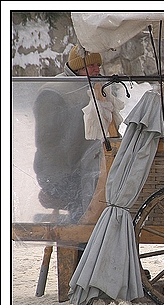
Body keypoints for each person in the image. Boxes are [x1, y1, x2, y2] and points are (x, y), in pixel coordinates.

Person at [33, 45, 105, 223]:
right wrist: (77, 166)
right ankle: (80, 243)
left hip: (83, 166)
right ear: (78, 67)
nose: (97, 69)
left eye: (98, 65)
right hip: (57, 172)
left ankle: (95, 240)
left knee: (106, 186)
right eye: (91, 66)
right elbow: (47, 143)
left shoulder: (91, 88)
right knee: (85, 198)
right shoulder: (54, 93)